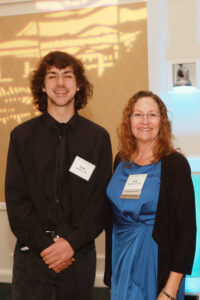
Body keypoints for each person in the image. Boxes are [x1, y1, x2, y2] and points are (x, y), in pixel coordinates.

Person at [5, 50, 112, 300]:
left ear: (78, 85)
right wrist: (47, 248)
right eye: (52, 76)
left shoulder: (98, 138)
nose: (60, 83)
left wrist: (70, 244)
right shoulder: (21, 137)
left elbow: (100, 203)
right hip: (32, 257)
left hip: (78, 258)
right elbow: (16, 202)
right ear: (42, 86)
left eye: (67, 76)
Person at [104, 90, 196, 300]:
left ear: (161, 121)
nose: (145, 121)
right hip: (121, 264)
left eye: (152, 115)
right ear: (129, 120)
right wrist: (111, 277)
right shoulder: (120, 160)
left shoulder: (175, 165)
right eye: (138, 114)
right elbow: (112, 224)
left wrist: (170, 289)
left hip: (157, 267)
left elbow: (187, 231)